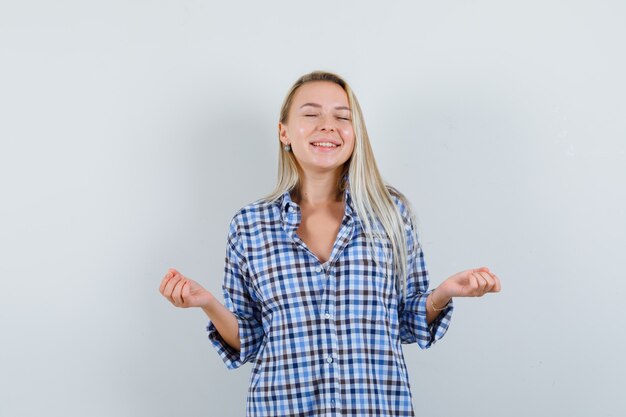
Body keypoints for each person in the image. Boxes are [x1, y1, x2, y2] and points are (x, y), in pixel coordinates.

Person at [158, 71, 501, 416]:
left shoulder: (390, 214)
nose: (328, 125)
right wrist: (207, 304)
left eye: (342, 116)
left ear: (356, 133)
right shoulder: (249, 225)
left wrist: (442, 293)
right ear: (284, 132)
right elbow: (247, 338)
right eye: (310, 114)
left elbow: (407, 322)